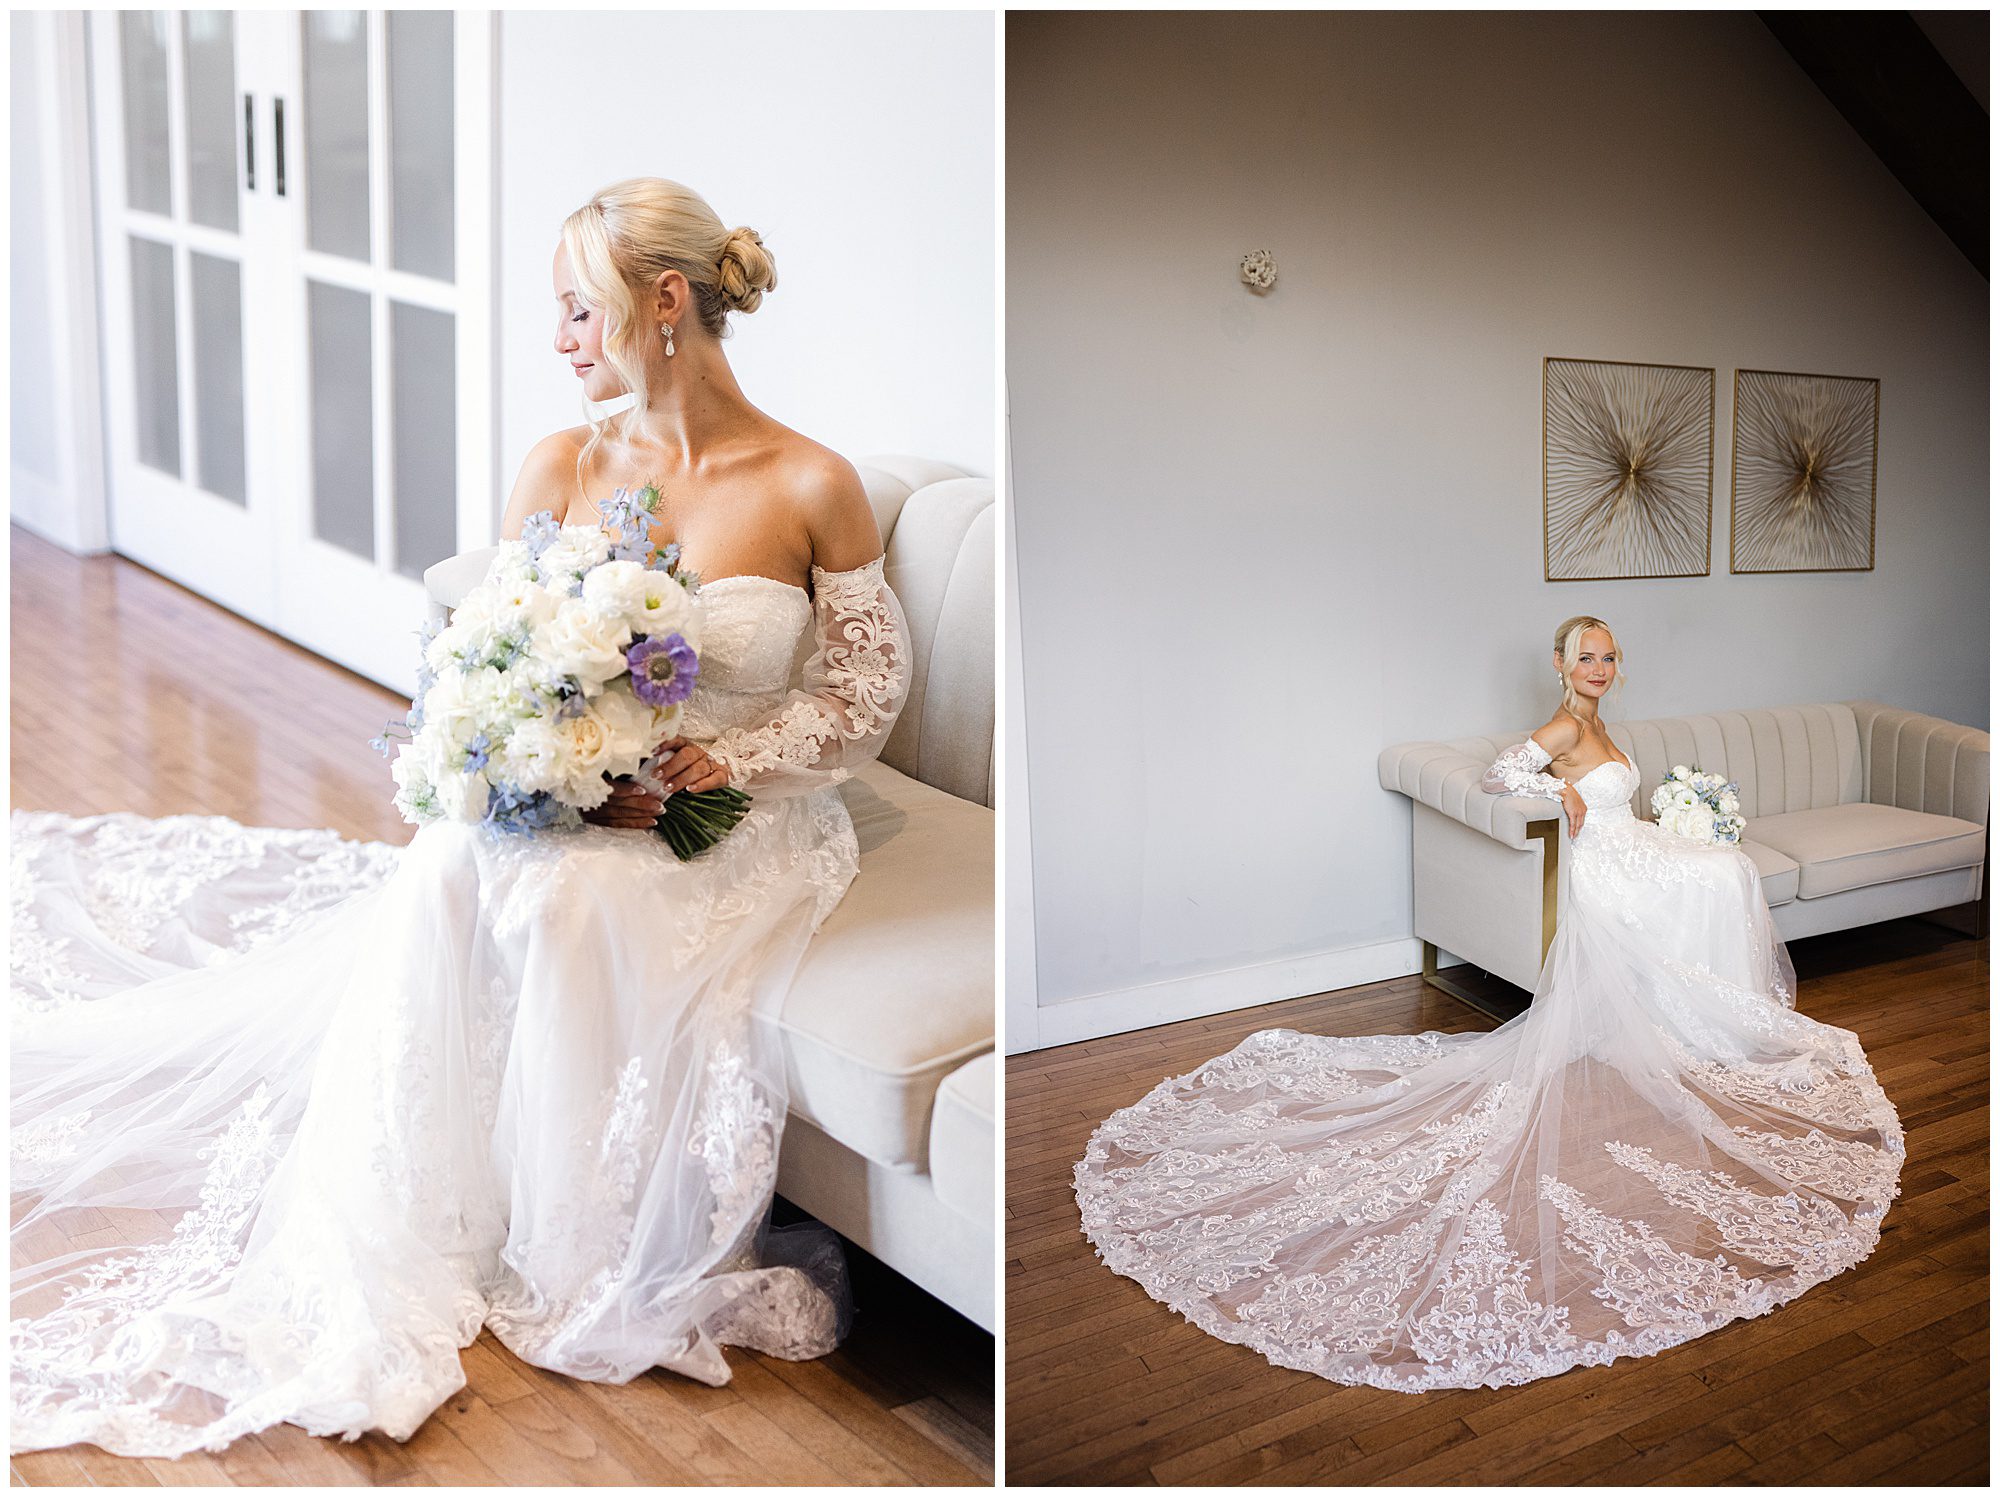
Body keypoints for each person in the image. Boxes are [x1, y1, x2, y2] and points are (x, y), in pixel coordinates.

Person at [10, 177, 912, 1458]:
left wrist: (729, 760)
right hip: (575, 792)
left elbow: (866, 690)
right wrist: (526, 764)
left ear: (664, 303)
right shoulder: (563, 462)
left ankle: (575, 1241)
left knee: (565, 899)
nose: (557, 341)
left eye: (571, 309)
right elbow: (488, 656)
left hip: (733, 814)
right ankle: (437, 1204)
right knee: (445, 867)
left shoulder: (812, 481)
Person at [1075, 615, 1901, 1392]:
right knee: (1723, 874)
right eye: (1586, 657)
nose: (1599, 669)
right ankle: (1702, 1024)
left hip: (1632, 846)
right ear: (1559, 664)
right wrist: (1559, 800)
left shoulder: (1603, 725)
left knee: (1725, 869)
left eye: (1609, 657)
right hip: (1603, 865)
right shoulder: (1567, 727)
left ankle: (1707, 1018)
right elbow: (1504, 772)